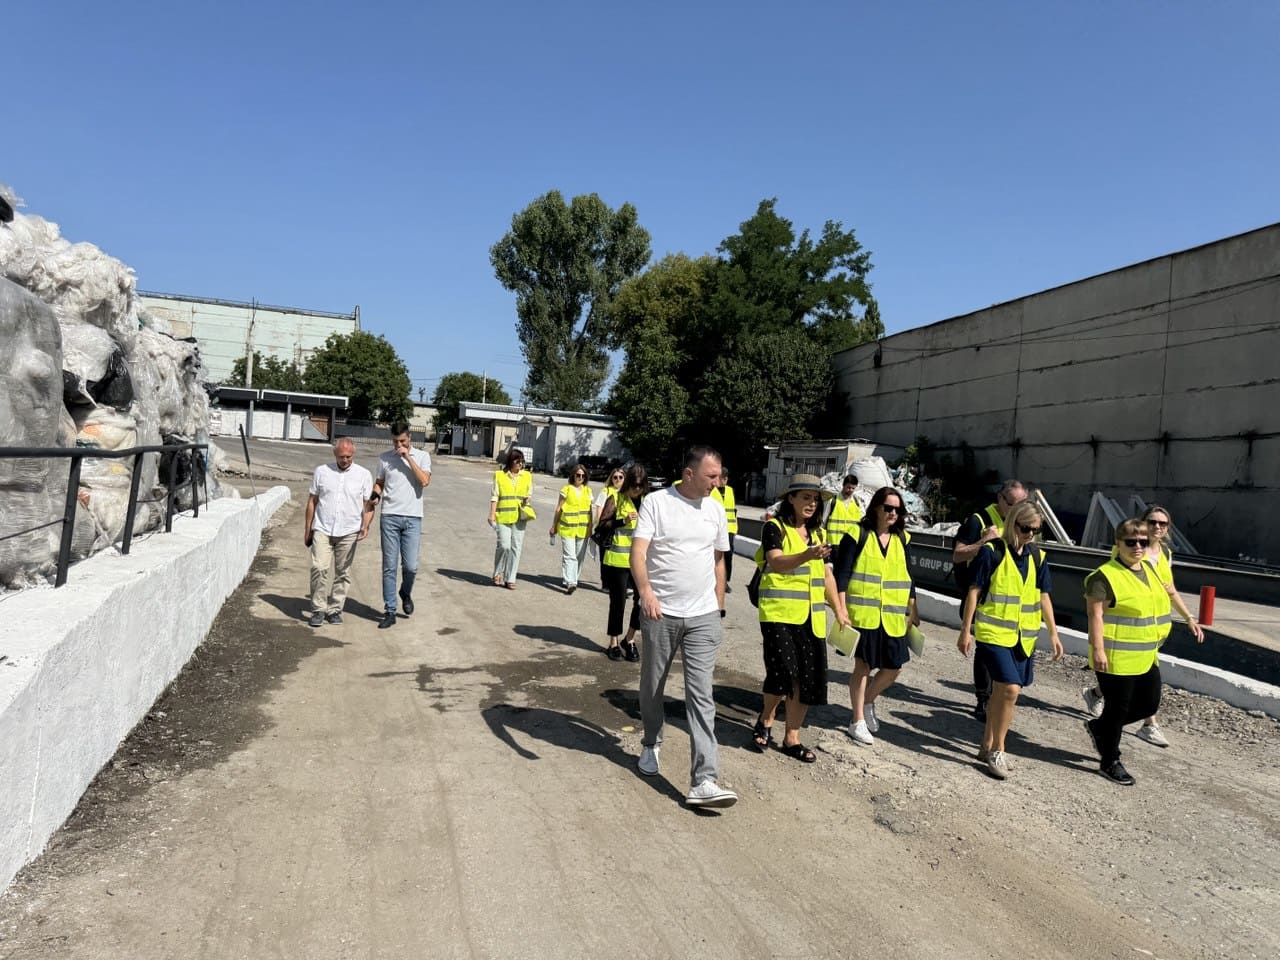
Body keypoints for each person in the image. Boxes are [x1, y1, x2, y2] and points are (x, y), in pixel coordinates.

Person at [633, 445, 737, 808]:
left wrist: (719, 604)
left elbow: (719, 560)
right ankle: (651, 742)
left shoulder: (716, 508)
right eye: (711, 476)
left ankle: (704, 779)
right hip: (661, 613)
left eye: (719, 475)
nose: (717, 482)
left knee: (701, 694)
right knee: (652, 685)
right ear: (689, 474)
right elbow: (638, 552)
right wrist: (645, 591)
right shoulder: (657, 503)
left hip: (703, 615)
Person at [956, 501, 1064, 779]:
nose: (1030, 534)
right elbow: (974, 591)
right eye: (1026, 528)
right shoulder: (991, 553)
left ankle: (987, 742)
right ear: (1013, 523)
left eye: (1036, 530)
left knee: (1003, 693)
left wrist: (1053, 632)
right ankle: (998, 751)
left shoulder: (1038, 557)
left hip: (1022, 637)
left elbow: (1044, 596)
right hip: (993, 633)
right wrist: (966, 629)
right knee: (1011, 689)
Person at [1081, 504, 1204, 747]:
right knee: (1123, 701)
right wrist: (1098, 648)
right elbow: (1102, 607)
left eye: (1163, 523)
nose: (1158, 527)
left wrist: (1189, 617)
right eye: (1153, 522)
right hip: (1123, 640)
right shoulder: (1125, 559)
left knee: (1142, 696)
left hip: (1151, 635)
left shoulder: (1164, 555)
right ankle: (1137, 732)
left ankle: (1102, 708)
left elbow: (1169, 590)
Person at [750, 474, 843, 763]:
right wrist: (806, 555)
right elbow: (776, 562)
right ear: (790, 498)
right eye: (806, 497)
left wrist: (839, 609)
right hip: (778, 613)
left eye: (815, 499)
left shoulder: (819, 535)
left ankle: (792, 737)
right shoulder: (773, 527)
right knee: (784, 672)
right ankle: (766, 718)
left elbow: (827, 575)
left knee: (807, 678)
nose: (812, 504)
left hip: (812, 617)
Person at [1082, 518, 1174, 786]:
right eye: (1131, 542)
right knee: (1117, 709)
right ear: (1117, 543)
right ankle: (1110, 760)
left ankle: (1100, 728)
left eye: (1143, 542)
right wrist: (1098, 651)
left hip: (1145, 655)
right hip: (1115, 656)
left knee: (1148, 704)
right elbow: (1095, 615)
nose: (1138, 547)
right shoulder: (1104, 576)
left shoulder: (1150, 569)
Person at [834, 486, 920, 747]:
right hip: (864, 615)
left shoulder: (902, 538)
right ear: (876, 508)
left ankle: (868, 700)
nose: (893, 513)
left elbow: (907, 577)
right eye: (888, 508)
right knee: (863, 667)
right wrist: (841, 608)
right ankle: (857, 720)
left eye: (898, 509)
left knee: (894, 668)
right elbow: (842, 574)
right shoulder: (857, 534)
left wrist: (913, 608)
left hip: (892, 617)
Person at [951, 479, 1029, 721]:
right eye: (1013, 504)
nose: (1018, 510)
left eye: (1023, 504)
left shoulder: (1022, 522)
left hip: (1010, 598)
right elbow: (956, 554)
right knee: (985, 647)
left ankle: (999, 694)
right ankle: (983, 699)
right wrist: (985, 541)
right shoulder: (979, 520)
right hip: (983, 592)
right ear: (1000, 499)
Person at [303, 438, 374, 627]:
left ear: (353, 455)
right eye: (341, 456)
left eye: (349, 457)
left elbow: (369, 505)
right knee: (319, 567)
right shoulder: (322, 472)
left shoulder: (363, 475)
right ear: (335, 454)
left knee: (342, 572)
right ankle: (318, 609)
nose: (345, 460)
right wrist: (308, 528)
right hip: (323, 528)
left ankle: (334, 609)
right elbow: (312, 501)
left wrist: (365, 525)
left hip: (349, 530)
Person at [371, 421, 432, 629]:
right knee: (389, 567)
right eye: (395, 442)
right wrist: (375, 495)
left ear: (410, 439)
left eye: (402, 441)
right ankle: (389, 610)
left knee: (411, 566)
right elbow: (379, 482)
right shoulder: (385, 458)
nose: (399, 446)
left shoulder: (423, 457)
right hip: (389, 516)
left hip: (413, 517)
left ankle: (405, 592)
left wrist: (407, 458)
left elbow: (424, 481)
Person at [599, 464, 647, 660]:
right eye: (634, 484)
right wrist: (622, 521)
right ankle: (614, 642)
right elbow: (602, 525)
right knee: (618, 603)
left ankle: (630, 638)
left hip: (641, 561)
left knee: (642, 601)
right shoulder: (616, 499)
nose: (637, 489)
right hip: (618, 560)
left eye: (640, 485)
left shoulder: (648, 502)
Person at [487, 449, 532, 590]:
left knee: (516, 548)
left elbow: (529, 494)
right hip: (503, 516)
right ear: (510, 461)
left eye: (522, 461)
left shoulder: (527, 476)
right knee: (504, 545)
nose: (520, 463)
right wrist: (491, 514)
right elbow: (495, 496)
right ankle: (497, 572)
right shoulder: (499, 475)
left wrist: (526, 500)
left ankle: (510, 578)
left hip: (520, 517)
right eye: (517, 460)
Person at [550, 463, 592, 594]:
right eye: (578, 475)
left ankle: (572, 578)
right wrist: (554, 526)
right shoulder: (566, 489)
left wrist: (590, 528)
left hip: (582, 529)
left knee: (579, 557)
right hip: (567, 528)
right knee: (570, 556)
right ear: (573, 476)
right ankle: (571, 582)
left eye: (583, 475)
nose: (580, 477)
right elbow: (558, 509)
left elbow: (590, 512)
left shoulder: (588, 491)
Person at [592, 467, 625, 587]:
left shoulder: (626, 492)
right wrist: (602, 525)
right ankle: (605, 583)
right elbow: (599, 508)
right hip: (607, 527)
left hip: (621, 529)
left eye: (620, 477)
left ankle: (619, 584)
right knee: (605, 556)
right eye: (615, 477)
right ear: (611, 478)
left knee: (618, 557)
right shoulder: (606, 491)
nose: (617, 479)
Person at [711, 468, 738, 591]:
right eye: (723, 478)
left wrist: (736, 526)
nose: (725, 480)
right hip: (714, 529)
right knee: (713, 555)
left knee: (728, 555)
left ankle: (725, 581)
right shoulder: (711, 490)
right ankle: (713, 579)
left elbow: (733, 510)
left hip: (729, 529)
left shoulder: (730, 491)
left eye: (726, 478)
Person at [825, 474, 863, 548]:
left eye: (853, 488)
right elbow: (823, 523)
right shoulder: (833, 501)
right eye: (848, 487)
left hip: (851, 544)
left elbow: (860, 523)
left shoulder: (857, 503)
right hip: (834, 545)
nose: (850, 490)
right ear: (843, 485)